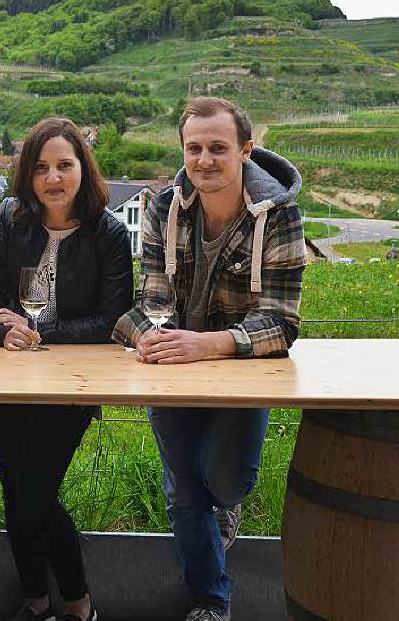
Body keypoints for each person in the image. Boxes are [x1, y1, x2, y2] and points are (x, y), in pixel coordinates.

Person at [112, 97, 307, 621]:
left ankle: (229, 503)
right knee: (184, 497)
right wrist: (150, 335)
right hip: (175, 364)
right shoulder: (162, 208)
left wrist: (212, 343)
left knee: (223, 482)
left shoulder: (279, 215)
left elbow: (283, 323)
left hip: (241, 369)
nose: (204, 160)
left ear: (246, 150)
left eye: (218, 148)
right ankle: (212, 600)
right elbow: (152, 299)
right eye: (193, 148)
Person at [0, 116, 133, 621]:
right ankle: (35, 600)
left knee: (34, 493)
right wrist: (4, 330)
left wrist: (43, 331)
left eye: (65, 165)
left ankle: (78, 601)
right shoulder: (10, 217)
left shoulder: (107, 230)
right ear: (28, 174)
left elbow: (113, 318)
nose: (53, 178)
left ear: (83, 169)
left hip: (72, 385)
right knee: (13, 489)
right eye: (41, 168)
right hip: (11, 378)